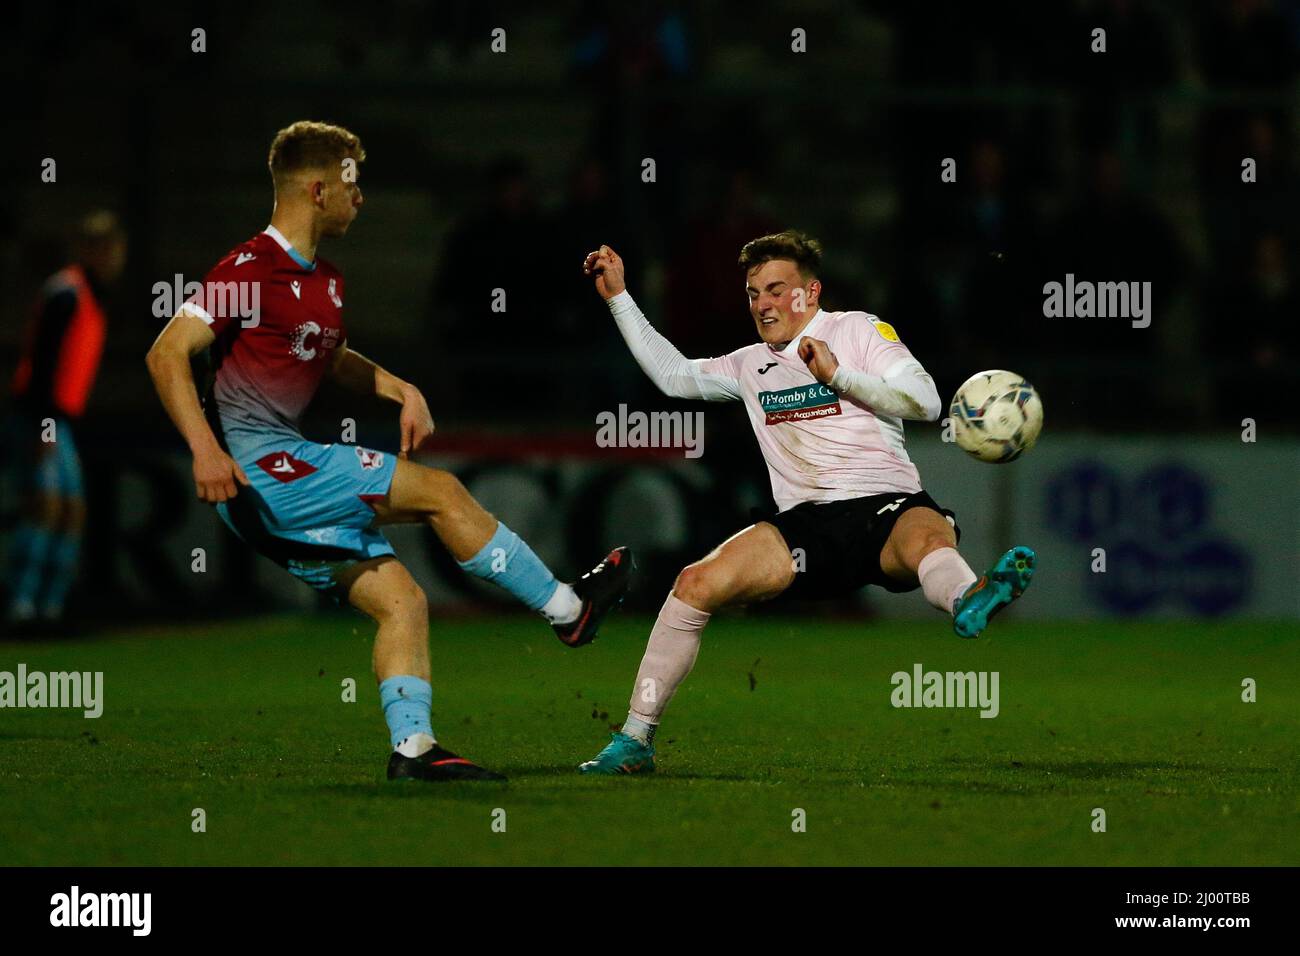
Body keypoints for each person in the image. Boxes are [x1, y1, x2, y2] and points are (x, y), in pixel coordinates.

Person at [145, 121, 631, 782]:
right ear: (317, 190)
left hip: (279, 479)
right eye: (353, 183)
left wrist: (398, 387)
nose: (361, 197)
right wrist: (204, 450)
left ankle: (413, 749)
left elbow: (329, 356)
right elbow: (166, 351)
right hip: (263, 469)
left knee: (402, 601)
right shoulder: (249, 267)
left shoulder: (326, 281)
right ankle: (569, 612)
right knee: (440, 491)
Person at [577, 231, 1035, 775]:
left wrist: (838, 375)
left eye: (777, 289)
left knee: (928, 537)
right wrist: (619, 298)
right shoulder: (749, 365)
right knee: (692, 586)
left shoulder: (857, 330)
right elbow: (674, 377)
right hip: (802, 531)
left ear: (811, 292)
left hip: (884, 506)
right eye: (753, 294)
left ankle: (968, 598)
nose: (763, 304)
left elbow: (926, 399)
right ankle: (635, 740)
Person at [7, 211, 126, 629]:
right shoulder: (66, 292)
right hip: (43, 417)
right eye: (104, 247)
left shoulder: (92, 295)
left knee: (71, 510)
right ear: (87, 250)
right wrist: (43, 426)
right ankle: (21, 605)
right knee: (45, 506)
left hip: (63, 420)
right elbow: (42, 365)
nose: (113, 257)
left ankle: (49, 607)